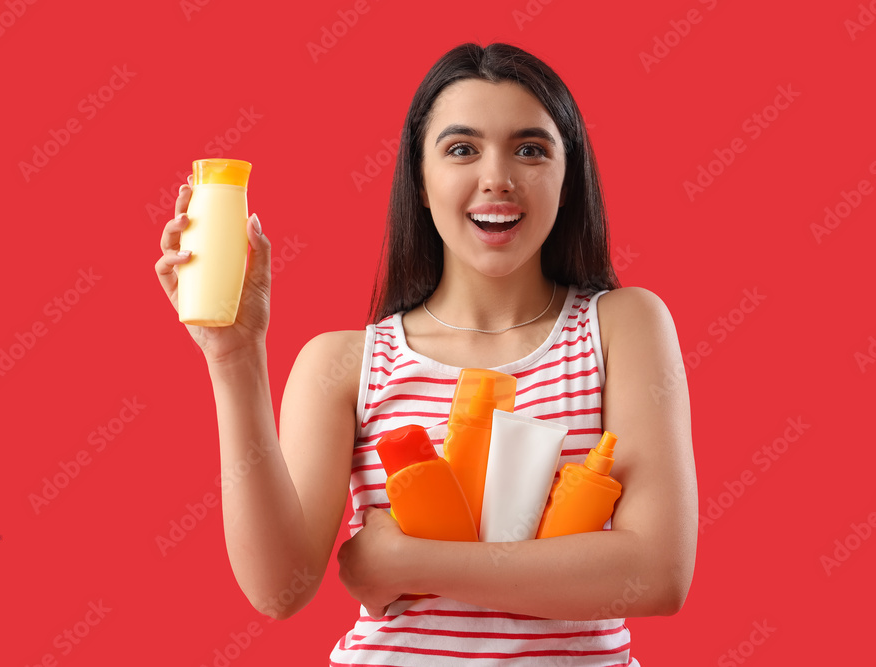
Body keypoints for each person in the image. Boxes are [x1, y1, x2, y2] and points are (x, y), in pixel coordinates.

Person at [156, 41, 697, 666]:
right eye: (462, 149)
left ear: (568, 176)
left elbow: (657, 573)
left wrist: (406, 560)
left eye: (530, 148)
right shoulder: (345, 365)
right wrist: (235, 358)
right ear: (419, 178)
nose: (497, 177)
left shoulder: (621, 327)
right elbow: (278, 590)